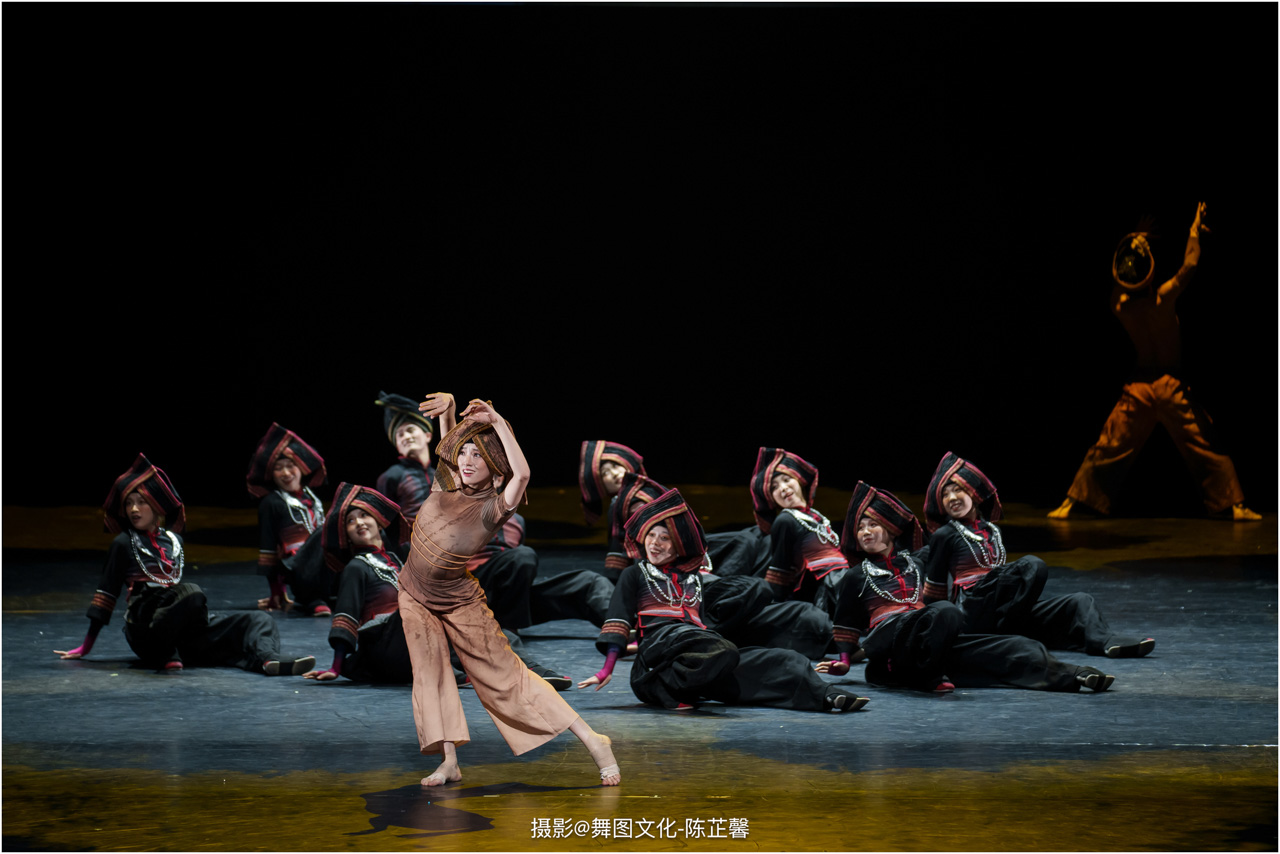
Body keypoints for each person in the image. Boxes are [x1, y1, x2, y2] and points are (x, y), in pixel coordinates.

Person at [398, 396, 619, 787]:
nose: (467, 461)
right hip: (412, 592)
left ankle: (593, 740)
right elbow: (449, 445)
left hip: (457, 601)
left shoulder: (491, 508)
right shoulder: (445, 481)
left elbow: (522, 475)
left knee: (504, 675)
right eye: (464, 452)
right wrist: (450, 409)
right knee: (429, 673)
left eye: (478, 456)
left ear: (494, 466)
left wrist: (498, 421)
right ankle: (449, 762)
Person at [1049, 202, 1260, 521]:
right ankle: (1237, 507)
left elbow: (1120, 279)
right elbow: (1189, 265)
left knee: (1109, 445)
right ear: (1149, 274)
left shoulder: (1122, 308)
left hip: (1140, 386)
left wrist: (1132, 244)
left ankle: (1069, 504)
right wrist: (1193, 232)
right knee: (1204, 445)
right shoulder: (1163, 298)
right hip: (1168, 386)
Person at [580, 487, 868, 713]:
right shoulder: (636, 573)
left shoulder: (693, 579)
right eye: (651, 536)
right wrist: (606, 670)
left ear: (679, 544)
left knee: (783, 659)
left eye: (664, 538)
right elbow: (618, 619)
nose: (654, 543)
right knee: (722, 650)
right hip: (657, 658)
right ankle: (663, 688)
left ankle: (826, 695)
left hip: (699, 657)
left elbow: (707, 625)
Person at [822, 482, 1114, 693]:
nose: (865, 532)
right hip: (894, 651)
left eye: (872, 525)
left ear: (891, 530)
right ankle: (926, 675)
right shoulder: (855, 576)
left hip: (934, 642)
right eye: (860, 528)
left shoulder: (916, 562)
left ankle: (1075, 676)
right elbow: (846, 624)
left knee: (1016, 647)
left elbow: (945, 542)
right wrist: (844, 661)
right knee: (945, 611)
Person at [55, 454, 314, 676]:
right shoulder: (123, 543)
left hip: (181, 629)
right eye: (129, 503)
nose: (134, 509)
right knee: (192, 592)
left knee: (258, 620)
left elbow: (181, 600)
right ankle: (165, 652)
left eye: (141, 502)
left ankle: (267, 660)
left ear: (157, 506)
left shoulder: (173, 541)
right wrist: (86, 647)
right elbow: (106, 594)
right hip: (146, 628)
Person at [924, 452, 1153, 659]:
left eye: (957, 490)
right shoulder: (945, 535)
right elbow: (934, 591)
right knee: (1031, 566)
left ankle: (1103, 641)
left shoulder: (991, 530)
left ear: (974, 493)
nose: (952, 498)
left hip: (1004, 611)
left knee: (1080, 601)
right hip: (974, 612)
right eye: (945, 495)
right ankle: (1011, 629)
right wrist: (937, 632)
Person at [613, 470, 833, 659]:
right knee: (756, 588)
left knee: (804, 614)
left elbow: (740, 549)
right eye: (636, 515)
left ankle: (840, 642)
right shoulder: (645, 560)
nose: (648, 518)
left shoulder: (693, 542)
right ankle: (689, 637)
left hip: (723, 607)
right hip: (693, 607)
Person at [246, 422, 331, 615]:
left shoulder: (311, 498)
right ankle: (312, 599)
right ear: (272, 474)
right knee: (325, 532)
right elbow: (268, 546)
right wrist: (276, 593)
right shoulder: (271, 502)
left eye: (290, 466)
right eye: (278, 468)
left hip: (324, 565)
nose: (285, 473)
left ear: (301, 468)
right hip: (298, 568)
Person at [751, 448, 847, 619]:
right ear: (772, 498)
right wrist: (770, 612)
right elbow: (780, 572)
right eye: (774, 487)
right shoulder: (785, 520)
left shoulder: (817, 517)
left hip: (843, 581)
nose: (783, 488)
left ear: (799, 480)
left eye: (786, 480)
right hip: (827, 591)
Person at [375, 391, 454, 524]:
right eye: (400, 435)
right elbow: (384, 523)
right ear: (398, 447)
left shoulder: (441, 475)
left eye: (410, 430)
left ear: (427, 436)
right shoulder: (390, 477)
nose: (406, 437)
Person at [579, 439, 646, 580]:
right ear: (601, 485)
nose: (615, 474)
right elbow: (619, 545)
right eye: (605, 473)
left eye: (615, 466)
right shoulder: (619, 503)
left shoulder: (621, 503)